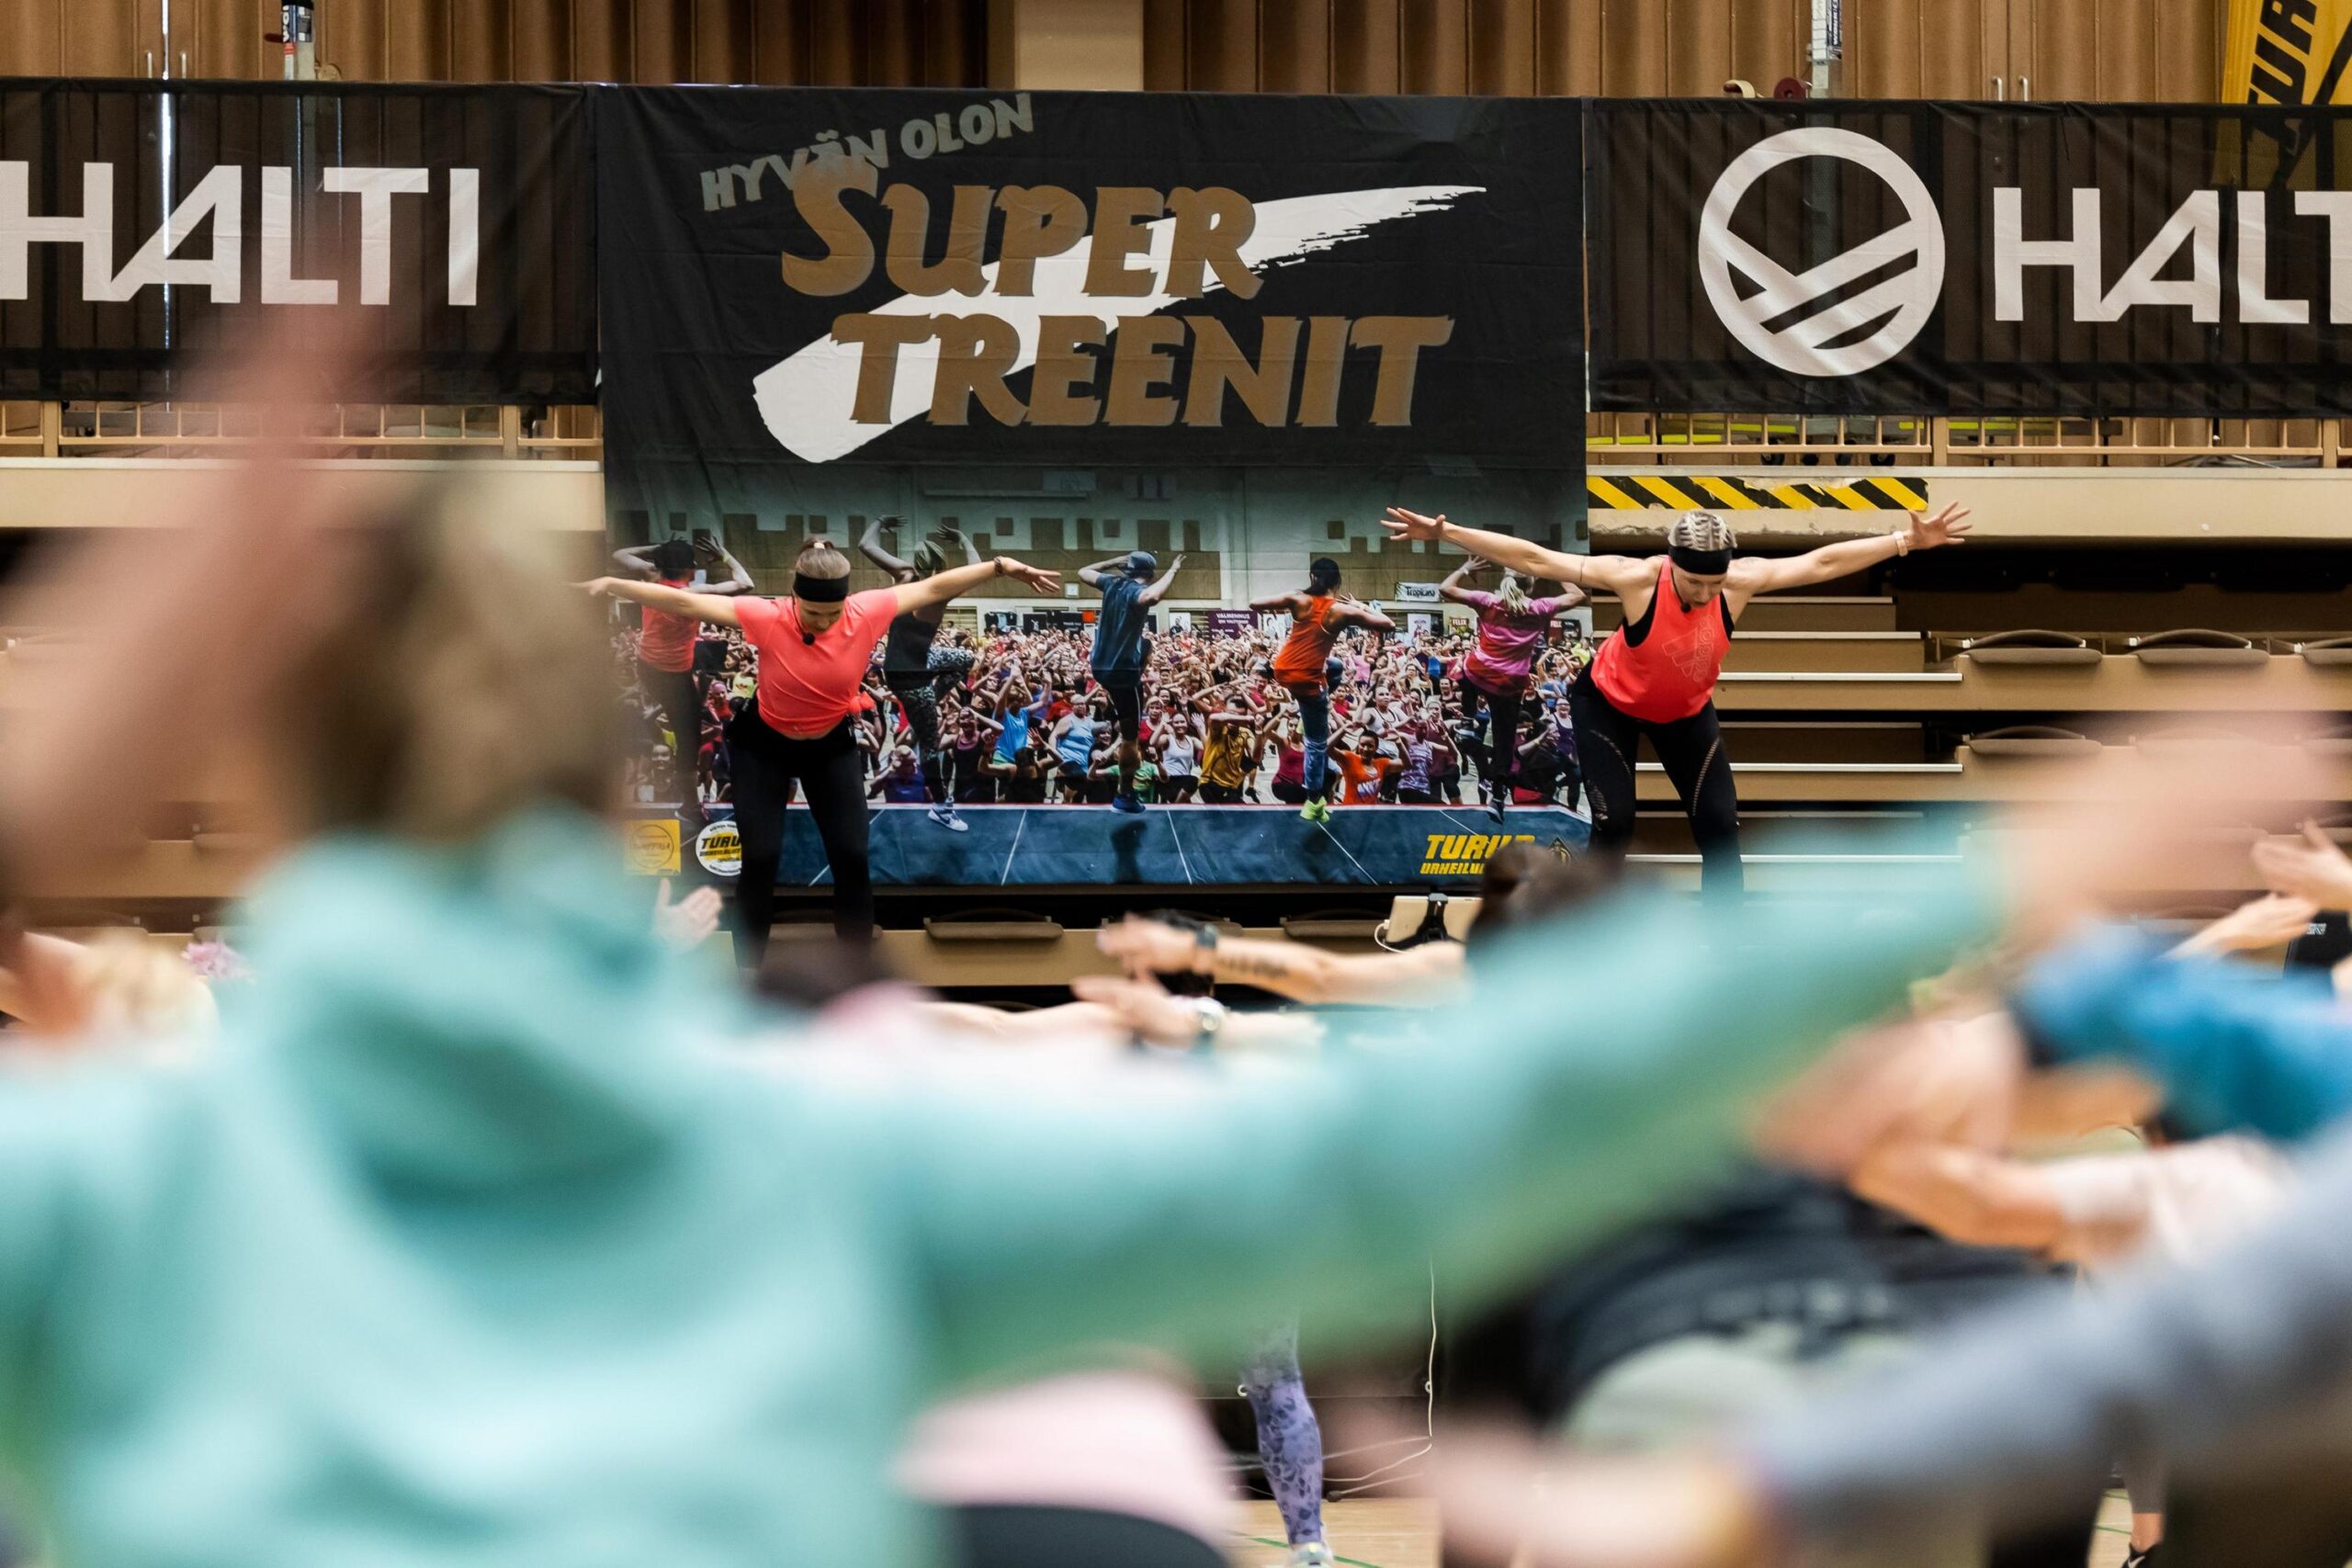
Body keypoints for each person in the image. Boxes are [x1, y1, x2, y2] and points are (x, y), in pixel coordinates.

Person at [0, 401, 2026, 1568]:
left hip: (808, 915)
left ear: (278, 779)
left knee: (845, 854)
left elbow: (944, 607)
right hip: (865, 925)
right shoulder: (830, 1144)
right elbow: (1375, 1152)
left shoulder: (130, 1162)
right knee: (817, 853)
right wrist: (2001, 874)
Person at [1385, 503, 1973, 897]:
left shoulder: (1737, 582)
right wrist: (1447, 533)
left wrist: (1904, 540)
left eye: (1715, 583)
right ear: (1672, 566)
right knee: (1616, 824)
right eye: (1695, 583)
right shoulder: (1637, 577)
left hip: (1685, 713)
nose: (1707, 593)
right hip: (1607, 705)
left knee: (1719, 825)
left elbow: (1820, 562)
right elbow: (1537, 559)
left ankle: (1726, 949)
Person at [587, 536, 1060, 963]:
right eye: (813, 614)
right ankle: (748, 970)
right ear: (795, 598)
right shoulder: (768, 615)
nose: (824, 622)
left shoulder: (866, 611)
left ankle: (854, 971)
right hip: (763, 747)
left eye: (832, 614)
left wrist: (1001, 566)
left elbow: (935, 587)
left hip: (828, 747)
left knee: (852, 855)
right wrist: (611, 583)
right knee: (761, 858)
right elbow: (681, 600)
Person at [1438, 555, 1585, 822]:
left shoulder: (1489, 601)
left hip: (1481, 673)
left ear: (1506, 580)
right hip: (1511, 683)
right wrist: (1554, 570)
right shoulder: (1539, 608)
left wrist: (1465, 569)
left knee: (1464, 664)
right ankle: (1497, 797)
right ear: (1531, 585)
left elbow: (1445, 588)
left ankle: (1468, 721)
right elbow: (1577, 596)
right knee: (1504, 742)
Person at [859, 516, 982, 833]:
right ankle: (941, 807)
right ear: (940, 565)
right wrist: (963, 539)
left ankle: (930, 702)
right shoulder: (940, 590)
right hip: (912, 677)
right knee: (929, 744)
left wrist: (880, 523)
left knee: (966, 657)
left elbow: (865, 545)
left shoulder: (904, 575)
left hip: (902, 665)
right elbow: (978, 568)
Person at [612, 536, 751, 816]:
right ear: (690, 569)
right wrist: (724, 555)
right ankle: (690, 806)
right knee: (689, 740)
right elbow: (745, 583)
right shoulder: (693, 594)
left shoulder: (651, 578)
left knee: (690, 706)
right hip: (673, 674)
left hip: (648, 666)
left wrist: (657, 549)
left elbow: (620, 554)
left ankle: (659, 713)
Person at [1254, 558, 1396, 825]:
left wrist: (1284, 605)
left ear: (1312, 577)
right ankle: (1314, 800)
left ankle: (1313, 706)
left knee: (1336, 666)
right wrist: (1360, 606)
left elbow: (1254, 604)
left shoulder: (1298, 598)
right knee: (1317, 744)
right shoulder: (1341, 610)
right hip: (1308, 680)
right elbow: (1388, 624)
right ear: (1337, 581)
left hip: (1282, 669)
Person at [1080, 551, 1184, 815]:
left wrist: (1115, 560)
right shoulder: (1136, 591)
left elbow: (1083, 572)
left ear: (1127, 569)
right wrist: (1173, 570)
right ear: (1150, 574)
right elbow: (1153, 597)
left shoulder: (1111, 583)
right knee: (1130, 738)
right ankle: (1125, 794)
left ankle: (1116, 709)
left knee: (1145, 643)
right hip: (1123, 673)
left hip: (1099, 667)